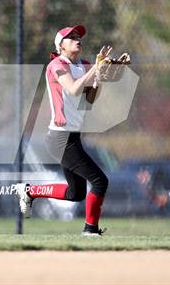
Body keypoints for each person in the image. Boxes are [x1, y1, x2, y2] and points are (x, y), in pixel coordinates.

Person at [16, 24, 114, 236]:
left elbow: (89, 98)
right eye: (71, 37)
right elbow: (72, 88)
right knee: (99, 181)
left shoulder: (84, 64)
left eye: (78, 36)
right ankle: (90, 230)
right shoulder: (56, 65)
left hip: (73, 137)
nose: (77, 39)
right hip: (60, 138)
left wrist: (100, 76)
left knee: (75, 193)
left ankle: (29, 191)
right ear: (60, 45)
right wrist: (96, 69)